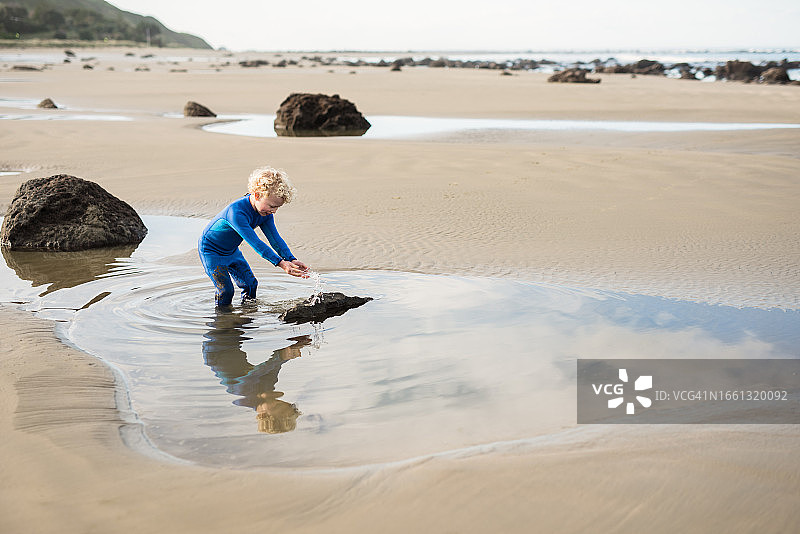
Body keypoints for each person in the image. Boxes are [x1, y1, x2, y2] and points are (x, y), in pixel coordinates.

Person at [199, 166, 308, 307]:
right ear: (257, 195)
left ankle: (248, 315)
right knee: (226, 291)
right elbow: (255, 242)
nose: (274, 211)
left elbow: (275, 239)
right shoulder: (236, 213)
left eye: (277, 208)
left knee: (251, 285)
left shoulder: (265, 213)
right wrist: (280, 263)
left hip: (231, 251)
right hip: (211, 251)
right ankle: (224, 323)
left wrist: (291, 259)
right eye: (272, 206)